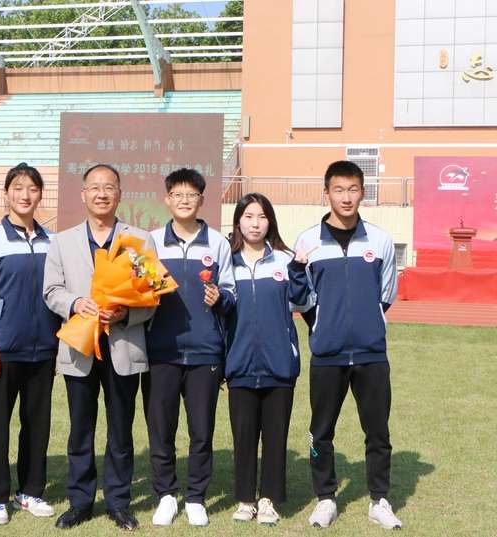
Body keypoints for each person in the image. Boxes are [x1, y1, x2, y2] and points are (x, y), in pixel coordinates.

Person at [43, 164, 154, 531]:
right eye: (95, 187)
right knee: (81, 429)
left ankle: (118, 502)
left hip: (123, 346)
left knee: (121, 429)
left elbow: (153, 296)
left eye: (109, 187)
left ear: (119, 194)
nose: (102, 193)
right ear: (83, 194)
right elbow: (51, 291)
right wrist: (75, 303)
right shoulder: (62, 241)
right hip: (80, 347)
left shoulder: (139, 240)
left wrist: (127, 313)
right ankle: (80, 502)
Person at [293, 161, 401, 530]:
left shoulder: (380, 240)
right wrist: (324, 325)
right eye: (338, 189)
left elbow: (386, 294)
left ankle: (379, 500)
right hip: (327, 355)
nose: (346, 197)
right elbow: (303, 298)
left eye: (353, 189)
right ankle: (325, 498)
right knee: (321, 432)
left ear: (362, 192)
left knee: (378, 432)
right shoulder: (308, 241)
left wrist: (367, 322)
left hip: (371, 354)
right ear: (327, 193)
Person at [142, 168, 234, 527]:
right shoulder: (151, 242)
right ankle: (166, 494)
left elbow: (232, 291)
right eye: (177, 195)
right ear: (167, 199)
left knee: (201, 430)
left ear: (201, 200)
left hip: (204, 352)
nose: (184, 201)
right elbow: (138, 290)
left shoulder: (218, 244)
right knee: (160, 429)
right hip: (160, 351)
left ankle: (196, 496)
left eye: (191, 195)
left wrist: (220, 297)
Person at [0, 163, 60, 524]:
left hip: (44, 350)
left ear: (40, 195)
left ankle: (31, 491)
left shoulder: (53, 240)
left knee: (37, 424)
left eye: (32, 189)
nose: (25, 195)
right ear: (7, 193)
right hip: (3, 349)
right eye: (18, 188)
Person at [224, 193, 311, 526]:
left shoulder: (285, 259)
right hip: (240, 364)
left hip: (279, 365)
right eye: (248, 216)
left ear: (270, 221)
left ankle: (269, 499)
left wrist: (299, 270)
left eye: (262, 217)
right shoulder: (227, 261)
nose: (255, 223)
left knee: (276, 438)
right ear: (238, 222)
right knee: (243, 436)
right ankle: (246, 499)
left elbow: (301, 301)